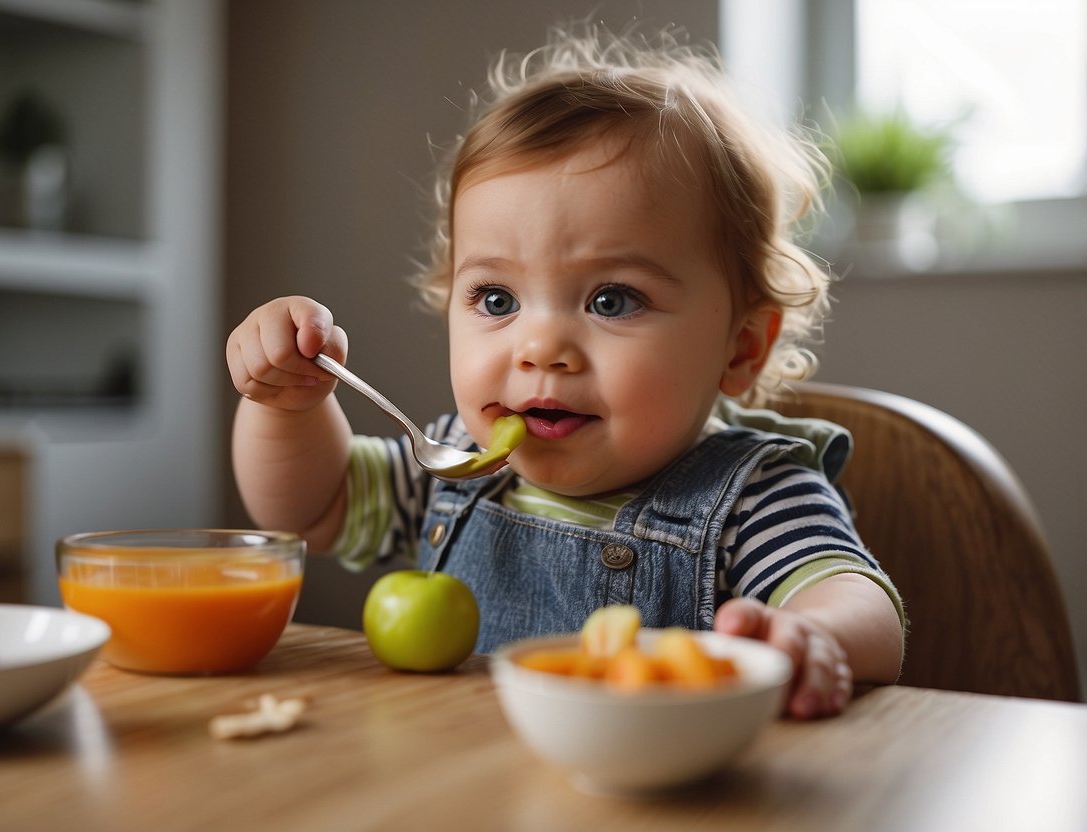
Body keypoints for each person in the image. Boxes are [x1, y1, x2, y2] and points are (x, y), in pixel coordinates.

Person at [226, 24, 905, 719]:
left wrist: (808, 634)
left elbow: (861, 603)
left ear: (739, 350)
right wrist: (287, 404)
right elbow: (310, 509)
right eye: (497, 300)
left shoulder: (751, 495)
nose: (540, 347)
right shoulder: (457, 459)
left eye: (612, 300)